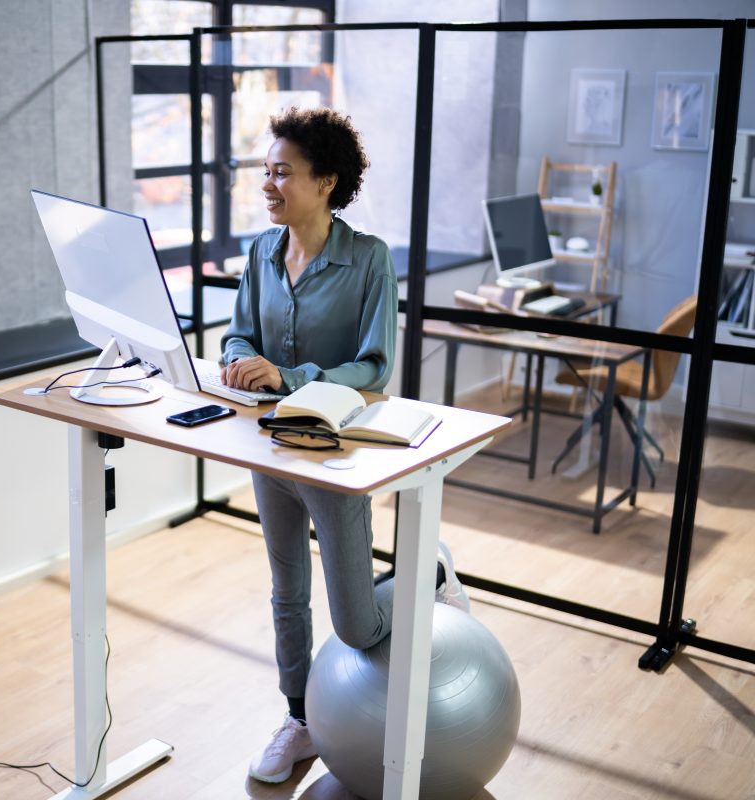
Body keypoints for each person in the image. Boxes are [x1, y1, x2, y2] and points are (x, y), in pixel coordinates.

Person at [219, 106, 468, 785]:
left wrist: (290, 376)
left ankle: (426, 575)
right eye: (265, 172)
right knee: (287, 591)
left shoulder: (368, 259)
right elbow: (238, 332)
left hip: (334, 455)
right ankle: (298, 719)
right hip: (270, 449)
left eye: (283, 174)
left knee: (358, 626)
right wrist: (240, 360)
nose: (268, 185)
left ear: (326, 181)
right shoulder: (260, 254)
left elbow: (373, 366)